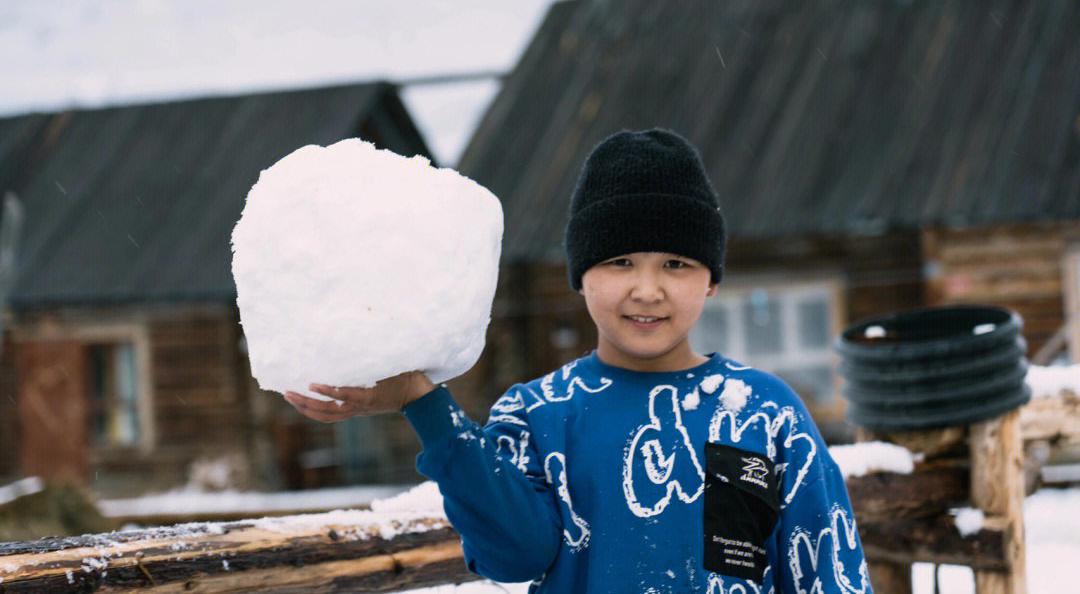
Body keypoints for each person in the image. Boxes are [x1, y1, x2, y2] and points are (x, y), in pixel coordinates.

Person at [285, 129, 872, 594]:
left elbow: (829, 571)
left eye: (676, 264)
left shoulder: (764, 415)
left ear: (711, 281)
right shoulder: (539, 414)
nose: (647, 289)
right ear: (581, 275)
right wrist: (422, 399)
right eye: (620, 262)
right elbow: (513, 556)